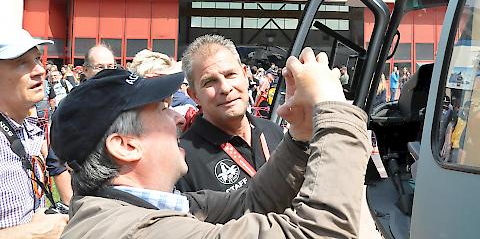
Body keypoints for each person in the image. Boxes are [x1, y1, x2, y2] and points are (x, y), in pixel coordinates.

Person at [50, 47, 370, 238]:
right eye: (162, 109)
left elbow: (249, 204)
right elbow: (317, 233)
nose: (178, 117)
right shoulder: (138, 231)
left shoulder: (132, 207)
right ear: (126, 145)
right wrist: (337, 112)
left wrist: (301, 135)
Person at [177, 35, 284, 193]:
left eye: (230, 75)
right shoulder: (183, 159)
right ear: (194, 96)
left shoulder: (273, 131)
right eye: (210, 82)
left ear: (245, 74)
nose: (225, 88)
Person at [0, 28, 68, 238]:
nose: (39, 70)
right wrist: (31, 233)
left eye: (38, 59)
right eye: (22, 62)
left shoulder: (31, 132)